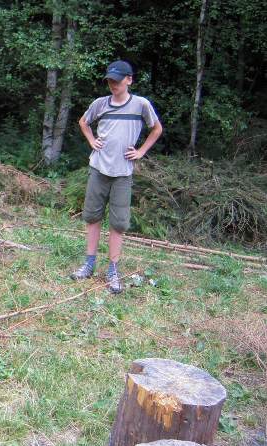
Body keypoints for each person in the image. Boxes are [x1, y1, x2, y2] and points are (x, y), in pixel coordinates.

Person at [70, 60, 163, 294]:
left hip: (123, 173)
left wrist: (141, 152)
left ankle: (112, 270)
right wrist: (92, 140)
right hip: (98, 168)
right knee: (92, 217)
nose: (113, 84)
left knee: (118, 224)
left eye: (117, 80)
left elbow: (157, 129)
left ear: (129, 80)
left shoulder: (141, 105)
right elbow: (83, 122)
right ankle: (89, 264)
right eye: (110, 81)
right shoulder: (100, 104)